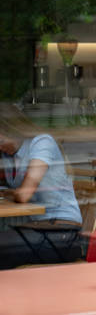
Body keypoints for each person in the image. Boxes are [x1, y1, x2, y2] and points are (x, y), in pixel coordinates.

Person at [0, 103, 82, 269]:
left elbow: (24, 195)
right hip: (38, 228)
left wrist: (14, 193)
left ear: (12, 130)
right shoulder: (8, 156)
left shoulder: (42, 143)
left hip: (62, 231)